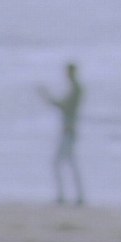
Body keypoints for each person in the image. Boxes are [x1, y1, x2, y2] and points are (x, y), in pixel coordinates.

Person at [38, 61, 85, 206]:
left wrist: (47, 97)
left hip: (68, 130)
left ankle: (63, 196)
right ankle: (77, 196)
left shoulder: (76, 89)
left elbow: (65, 107)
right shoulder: (75, 89)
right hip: (69, 130)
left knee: (58, 163)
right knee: (70, 164)